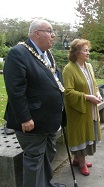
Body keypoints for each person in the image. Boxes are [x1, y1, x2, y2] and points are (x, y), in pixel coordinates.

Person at [3, 19, 66, 187]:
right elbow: (15, 90)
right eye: (50, 31)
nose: (53, 35)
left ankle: (46, 183)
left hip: (50, 119)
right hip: (33, 121)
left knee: (47, 154)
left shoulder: (47, 53)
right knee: (34, 159)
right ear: (37, 33)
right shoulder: (18, 53)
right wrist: (24, 118)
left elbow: (54, 80)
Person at [63, 39, 102, 176]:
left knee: (87, 132)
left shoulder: (89, 66)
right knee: (81, 134)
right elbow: (68, 92)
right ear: (76, 52)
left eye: (88, 50)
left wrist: (96, 93)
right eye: (85, 50)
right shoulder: (69, 69)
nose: (88, 53)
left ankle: (76, 159)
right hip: (77, 110)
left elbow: (94, 83)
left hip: (89, 108)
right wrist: (87, 97)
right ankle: (82, 163)